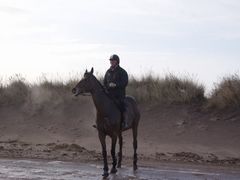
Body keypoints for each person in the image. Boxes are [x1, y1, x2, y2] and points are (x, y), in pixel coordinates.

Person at [104, 54, 129, 128]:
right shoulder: (108, 72)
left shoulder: (122, 72)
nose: (111, 62)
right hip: (109, 94)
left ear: (117, 61)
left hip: (119, 94)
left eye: (113, 60)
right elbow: (104, 82)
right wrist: (108, 86)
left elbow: (125, 82)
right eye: (110, 60)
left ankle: (124, 122)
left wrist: (115, 85)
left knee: (121, 105)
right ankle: (101, 123)